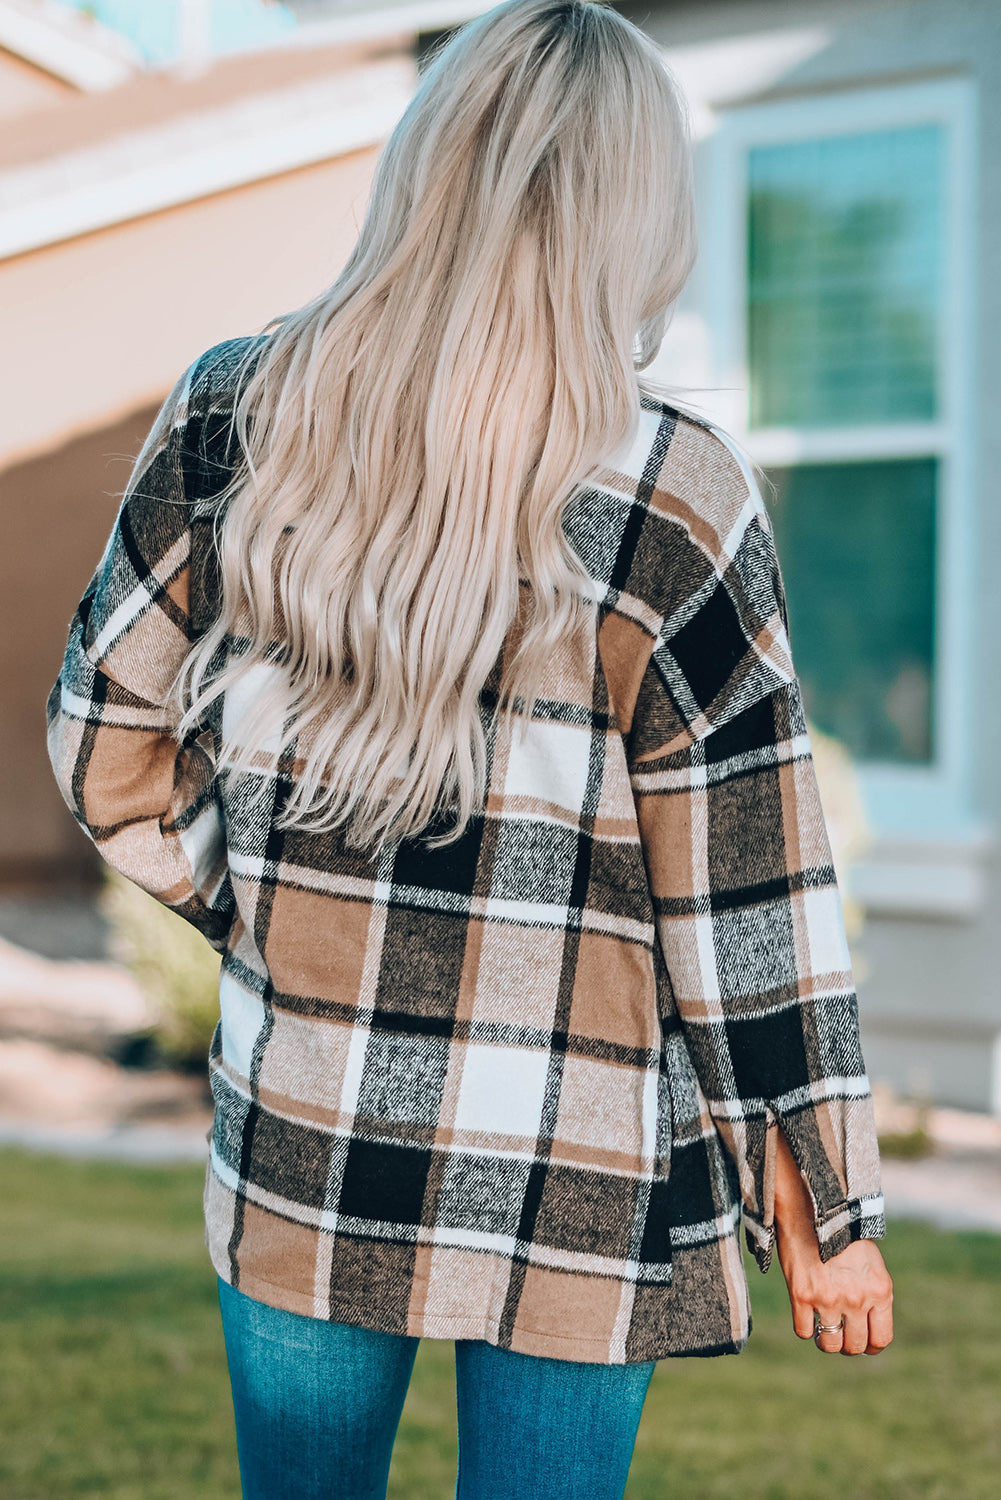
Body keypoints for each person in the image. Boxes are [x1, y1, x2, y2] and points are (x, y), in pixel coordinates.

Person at [45, 2, 894, 1496]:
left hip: (306, 1127)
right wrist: (824, 1188)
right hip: (584, 1162)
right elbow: (745, 883)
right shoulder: (670, 494)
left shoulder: (232, 416)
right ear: (633, 208)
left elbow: (104, 748)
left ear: (426, 166)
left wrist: (262, 912)